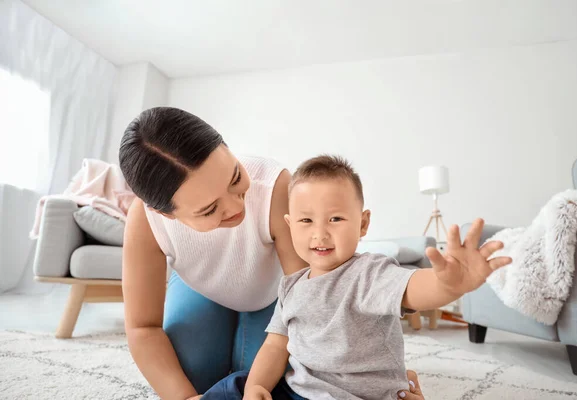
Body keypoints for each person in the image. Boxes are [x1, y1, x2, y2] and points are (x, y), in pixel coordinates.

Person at [118, 107, 424, 400]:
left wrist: (382, 379)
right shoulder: (146, 221)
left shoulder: (273, 185)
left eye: (235, 178)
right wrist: (184, 397)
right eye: (210, 209)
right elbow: (143, 327)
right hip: (201, 289)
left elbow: (319, 296)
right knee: (193, 375)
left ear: (226, 147)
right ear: (165, 213)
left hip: (274, 296)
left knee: (275, 379)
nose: (237, 207)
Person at [201, 155, 511, 400]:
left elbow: (412, 288)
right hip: (299, 389)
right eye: (306, 220)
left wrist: (447, 285)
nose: (320, 233)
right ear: (290, 225)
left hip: (357, 395)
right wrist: (257, 386)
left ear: (363, 224)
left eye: (335, 218)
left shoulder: (369, 273)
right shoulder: (291, 285)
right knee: (234, 385)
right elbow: (276, 343)